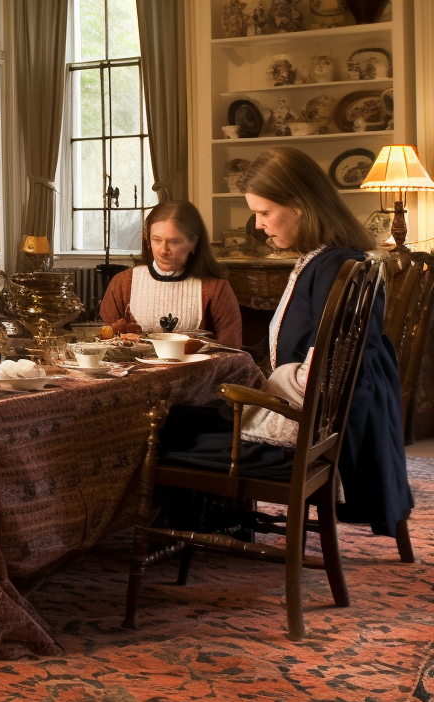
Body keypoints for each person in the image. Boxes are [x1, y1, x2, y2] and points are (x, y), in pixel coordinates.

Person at [161, 147, 412, 538]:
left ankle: (192, 532)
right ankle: (216, 523)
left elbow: (324, 375)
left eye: (264, 212)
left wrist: (268, 384)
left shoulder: (331, 268)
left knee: (165, 425)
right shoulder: (330, 260)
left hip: (306, 436)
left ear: (300, 205)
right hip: (317, 422)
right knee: (189, 414)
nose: (258, 225)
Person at [99, 200, 242, 347]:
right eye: (157, 240)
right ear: (148, 240)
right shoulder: (123, 283)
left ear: (193, 242)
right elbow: (107, 344)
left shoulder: (215, 288)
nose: (163, 251)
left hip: (197, 369)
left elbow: (231, 352)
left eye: (174, 242)